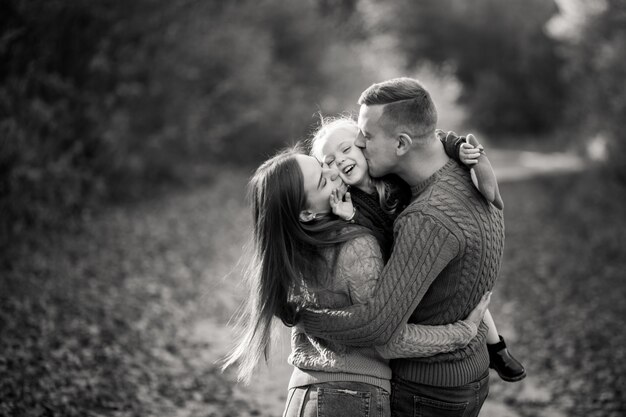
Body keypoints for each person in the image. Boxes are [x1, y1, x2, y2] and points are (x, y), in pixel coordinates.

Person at [221, 147, 491, 417]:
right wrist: (461, 334)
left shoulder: (290, 256)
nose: (333, 172)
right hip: (349, 398)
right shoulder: (354, 245)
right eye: (323, 181)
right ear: (305, 214)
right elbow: (388, 338)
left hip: (301, 396)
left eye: (322, 165)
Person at [296, 77, 506, 417]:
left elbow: (380, 326)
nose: (360, 144)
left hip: (429, 387)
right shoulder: (450, 176)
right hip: (457, 375)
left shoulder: (421, 211)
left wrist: (305, 317)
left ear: (402, 143)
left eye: (363, 138)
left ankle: (500, 346)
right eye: (328, 162)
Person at [310, 116, 526, 383]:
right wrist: (349, 218)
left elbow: (426, 141)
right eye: (329, 161)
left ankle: (496, 347)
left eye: (346, 149)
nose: (340, 160)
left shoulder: (391, 173)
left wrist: (456, 145)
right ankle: (444, 346)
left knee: (467, 286)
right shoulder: (348, 203)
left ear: (364, 145)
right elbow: (369, 249)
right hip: (401, 266)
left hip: (428, 246)